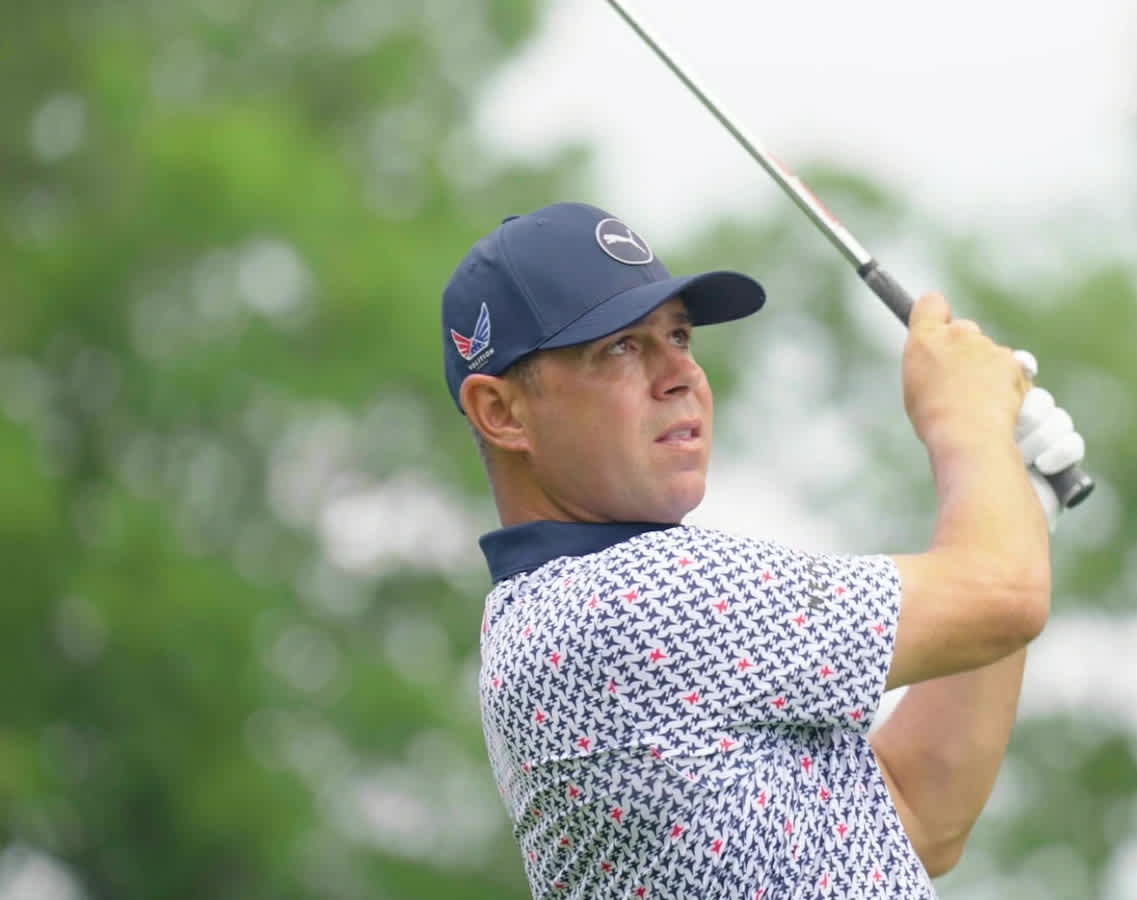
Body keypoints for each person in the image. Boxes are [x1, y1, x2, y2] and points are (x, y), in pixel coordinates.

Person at [441, 201, 1085, 898]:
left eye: (679, 335)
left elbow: (922, 816)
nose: (680, 374)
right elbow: (1002, 595)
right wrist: (967, 419)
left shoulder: (547, 620)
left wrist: (1015, 497)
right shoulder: (636, 599)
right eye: (620, 347)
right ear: (501, 412)